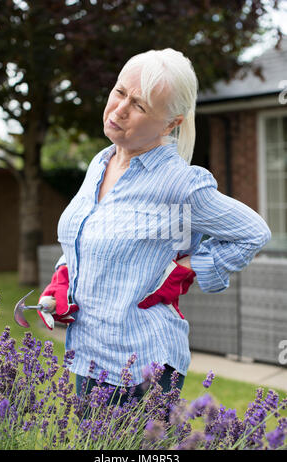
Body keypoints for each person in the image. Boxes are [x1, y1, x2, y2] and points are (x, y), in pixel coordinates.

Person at [38, 48, 271, 407]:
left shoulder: (179, 183)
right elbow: (86, 240)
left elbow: (253, 232)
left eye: (140, 106)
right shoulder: (101, 163)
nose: (119, 109)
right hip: (87, 357)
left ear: (171, 123)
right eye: (119, 92)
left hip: (143, 365)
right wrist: (62, 281)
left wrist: (185, 271)